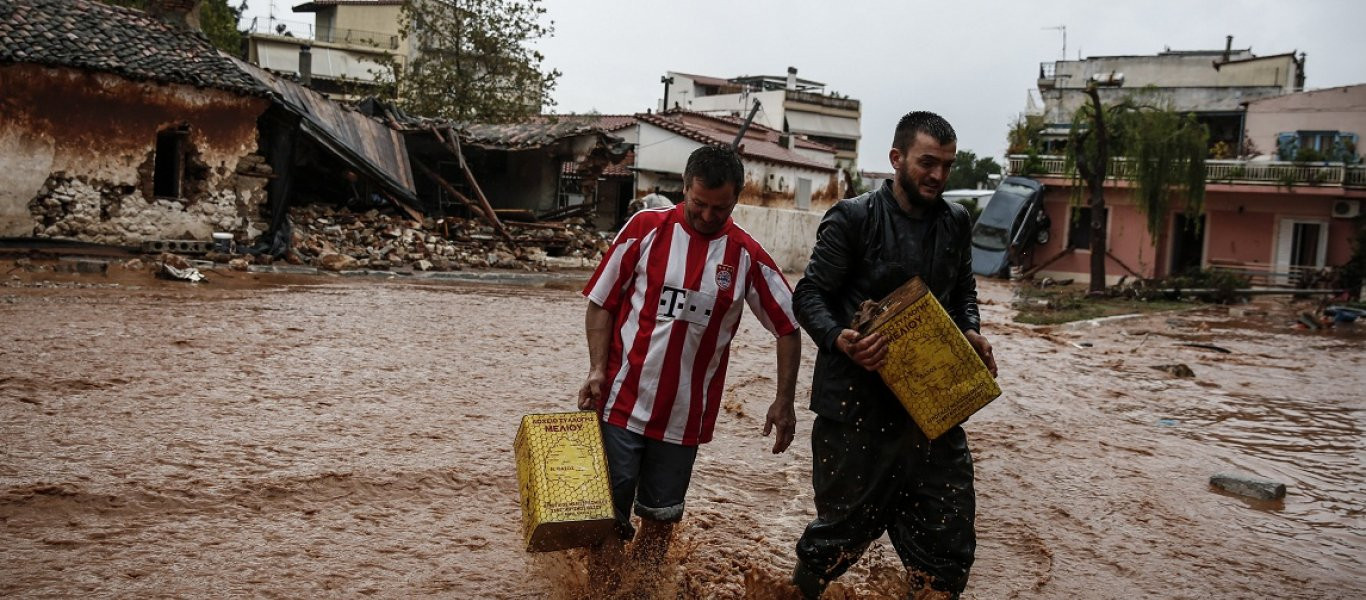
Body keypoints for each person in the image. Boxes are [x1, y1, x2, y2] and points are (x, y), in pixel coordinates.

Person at [787, 112, 998, 600]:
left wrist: (971, 330)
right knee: (837, 540)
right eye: (928, 163)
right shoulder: (854, 218)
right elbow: (810, 295)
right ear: (896, 159)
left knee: (947, 549)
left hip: (932, 408)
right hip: (855, 411)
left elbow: (963, 289)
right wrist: (840, 337)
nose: (939, 176)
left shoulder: (956, 221)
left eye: (947, 165)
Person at [577, 145, 802, 586]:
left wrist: (784, 400)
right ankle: (602, 592)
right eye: (698, 204)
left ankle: (639, 593)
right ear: (684, 188)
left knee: (660, 521)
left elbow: (789, 327)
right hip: (621, 403)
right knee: (606, 517)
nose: (707, 216)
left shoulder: (747, 256)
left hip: (684, 420)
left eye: (720, 208)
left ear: (737, 199)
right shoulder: (645, 230)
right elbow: (600, 303)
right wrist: (596, 369)